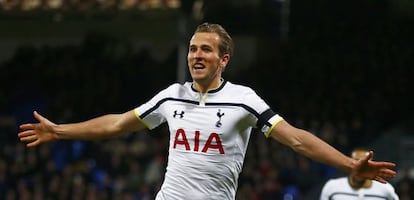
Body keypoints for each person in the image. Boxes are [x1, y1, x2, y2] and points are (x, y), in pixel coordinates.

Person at [18, 22, 397, 200]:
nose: (196, 55)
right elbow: (118, 123)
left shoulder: (244, 100)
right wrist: (60, 131)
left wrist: (349, 166)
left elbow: (296, 139)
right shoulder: (171, 96)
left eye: (206, 50)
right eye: (193, 49)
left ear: (224, 59)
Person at [320, 148, 399, 200]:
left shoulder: (385, 188)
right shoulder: (332, 186)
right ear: (350, 162)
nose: (362, 166)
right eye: (357, 161)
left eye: (366, 163)